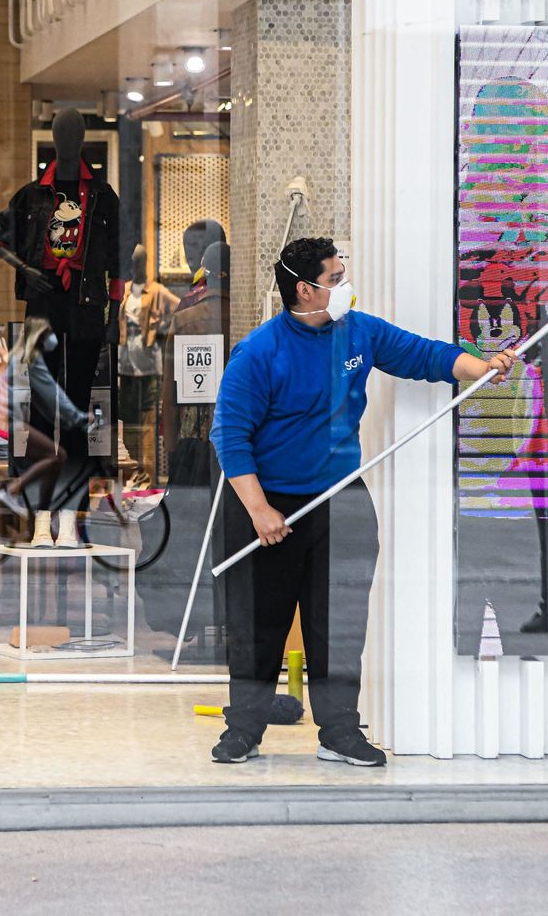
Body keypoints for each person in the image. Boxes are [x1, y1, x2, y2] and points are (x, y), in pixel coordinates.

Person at [208, 236, 516, 767]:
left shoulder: (358, 332)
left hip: (340, 499)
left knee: (339, 623)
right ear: (305, 291)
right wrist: (260, 511)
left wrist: (481, 366)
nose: (345, 287)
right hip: (267, 504)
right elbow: (229, 437)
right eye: (335, 279)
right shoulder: (258, 353)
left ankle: (339, 732)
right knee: (259, 625)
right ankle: (244, 731)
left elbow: (424, 354)